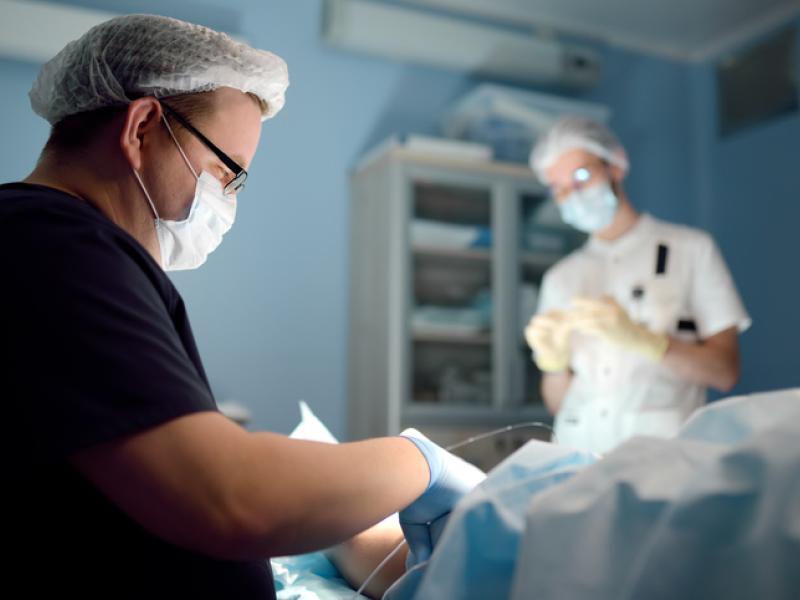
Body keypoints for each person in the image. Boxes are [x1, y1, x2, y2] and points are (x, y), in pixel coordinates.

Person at [2, 14, 483, 599]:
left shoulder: (58, 245)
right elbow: (232, 497)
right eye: (226, 174)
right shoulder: (53, 242)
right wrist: (419, 462)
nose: (227, 202)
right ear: (144, 127)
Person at [524, 117, 751, 455]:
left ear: (616, 165)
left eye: (582, 176)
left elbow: (724, 372)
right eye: (558, 188)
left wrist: (648, 342)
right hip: (578, 455)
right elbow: (557, 403)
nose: (572, 195)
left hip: (661, 457)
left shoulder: (690, 249)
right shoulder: (561, 277)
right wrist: (554, 363)